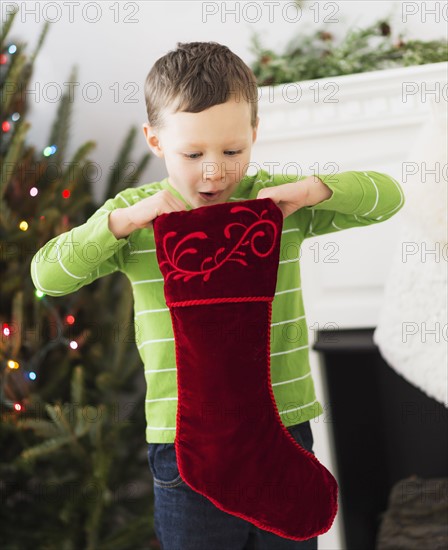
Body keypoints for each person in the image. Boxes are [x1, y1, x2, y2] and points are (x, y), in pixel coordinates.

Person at [30, 41, 405, 549]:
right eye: (193, 153)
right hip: (184, 443)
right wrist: (120, 224)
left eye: (232, 151)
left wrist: (314, 190)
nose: (214, 170)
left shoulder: (277, 202)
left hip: (281, 427)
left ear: (253, 134)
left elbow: (387, 197)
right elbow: (48, 276)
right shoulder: (137, 217)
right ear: (155, 140)